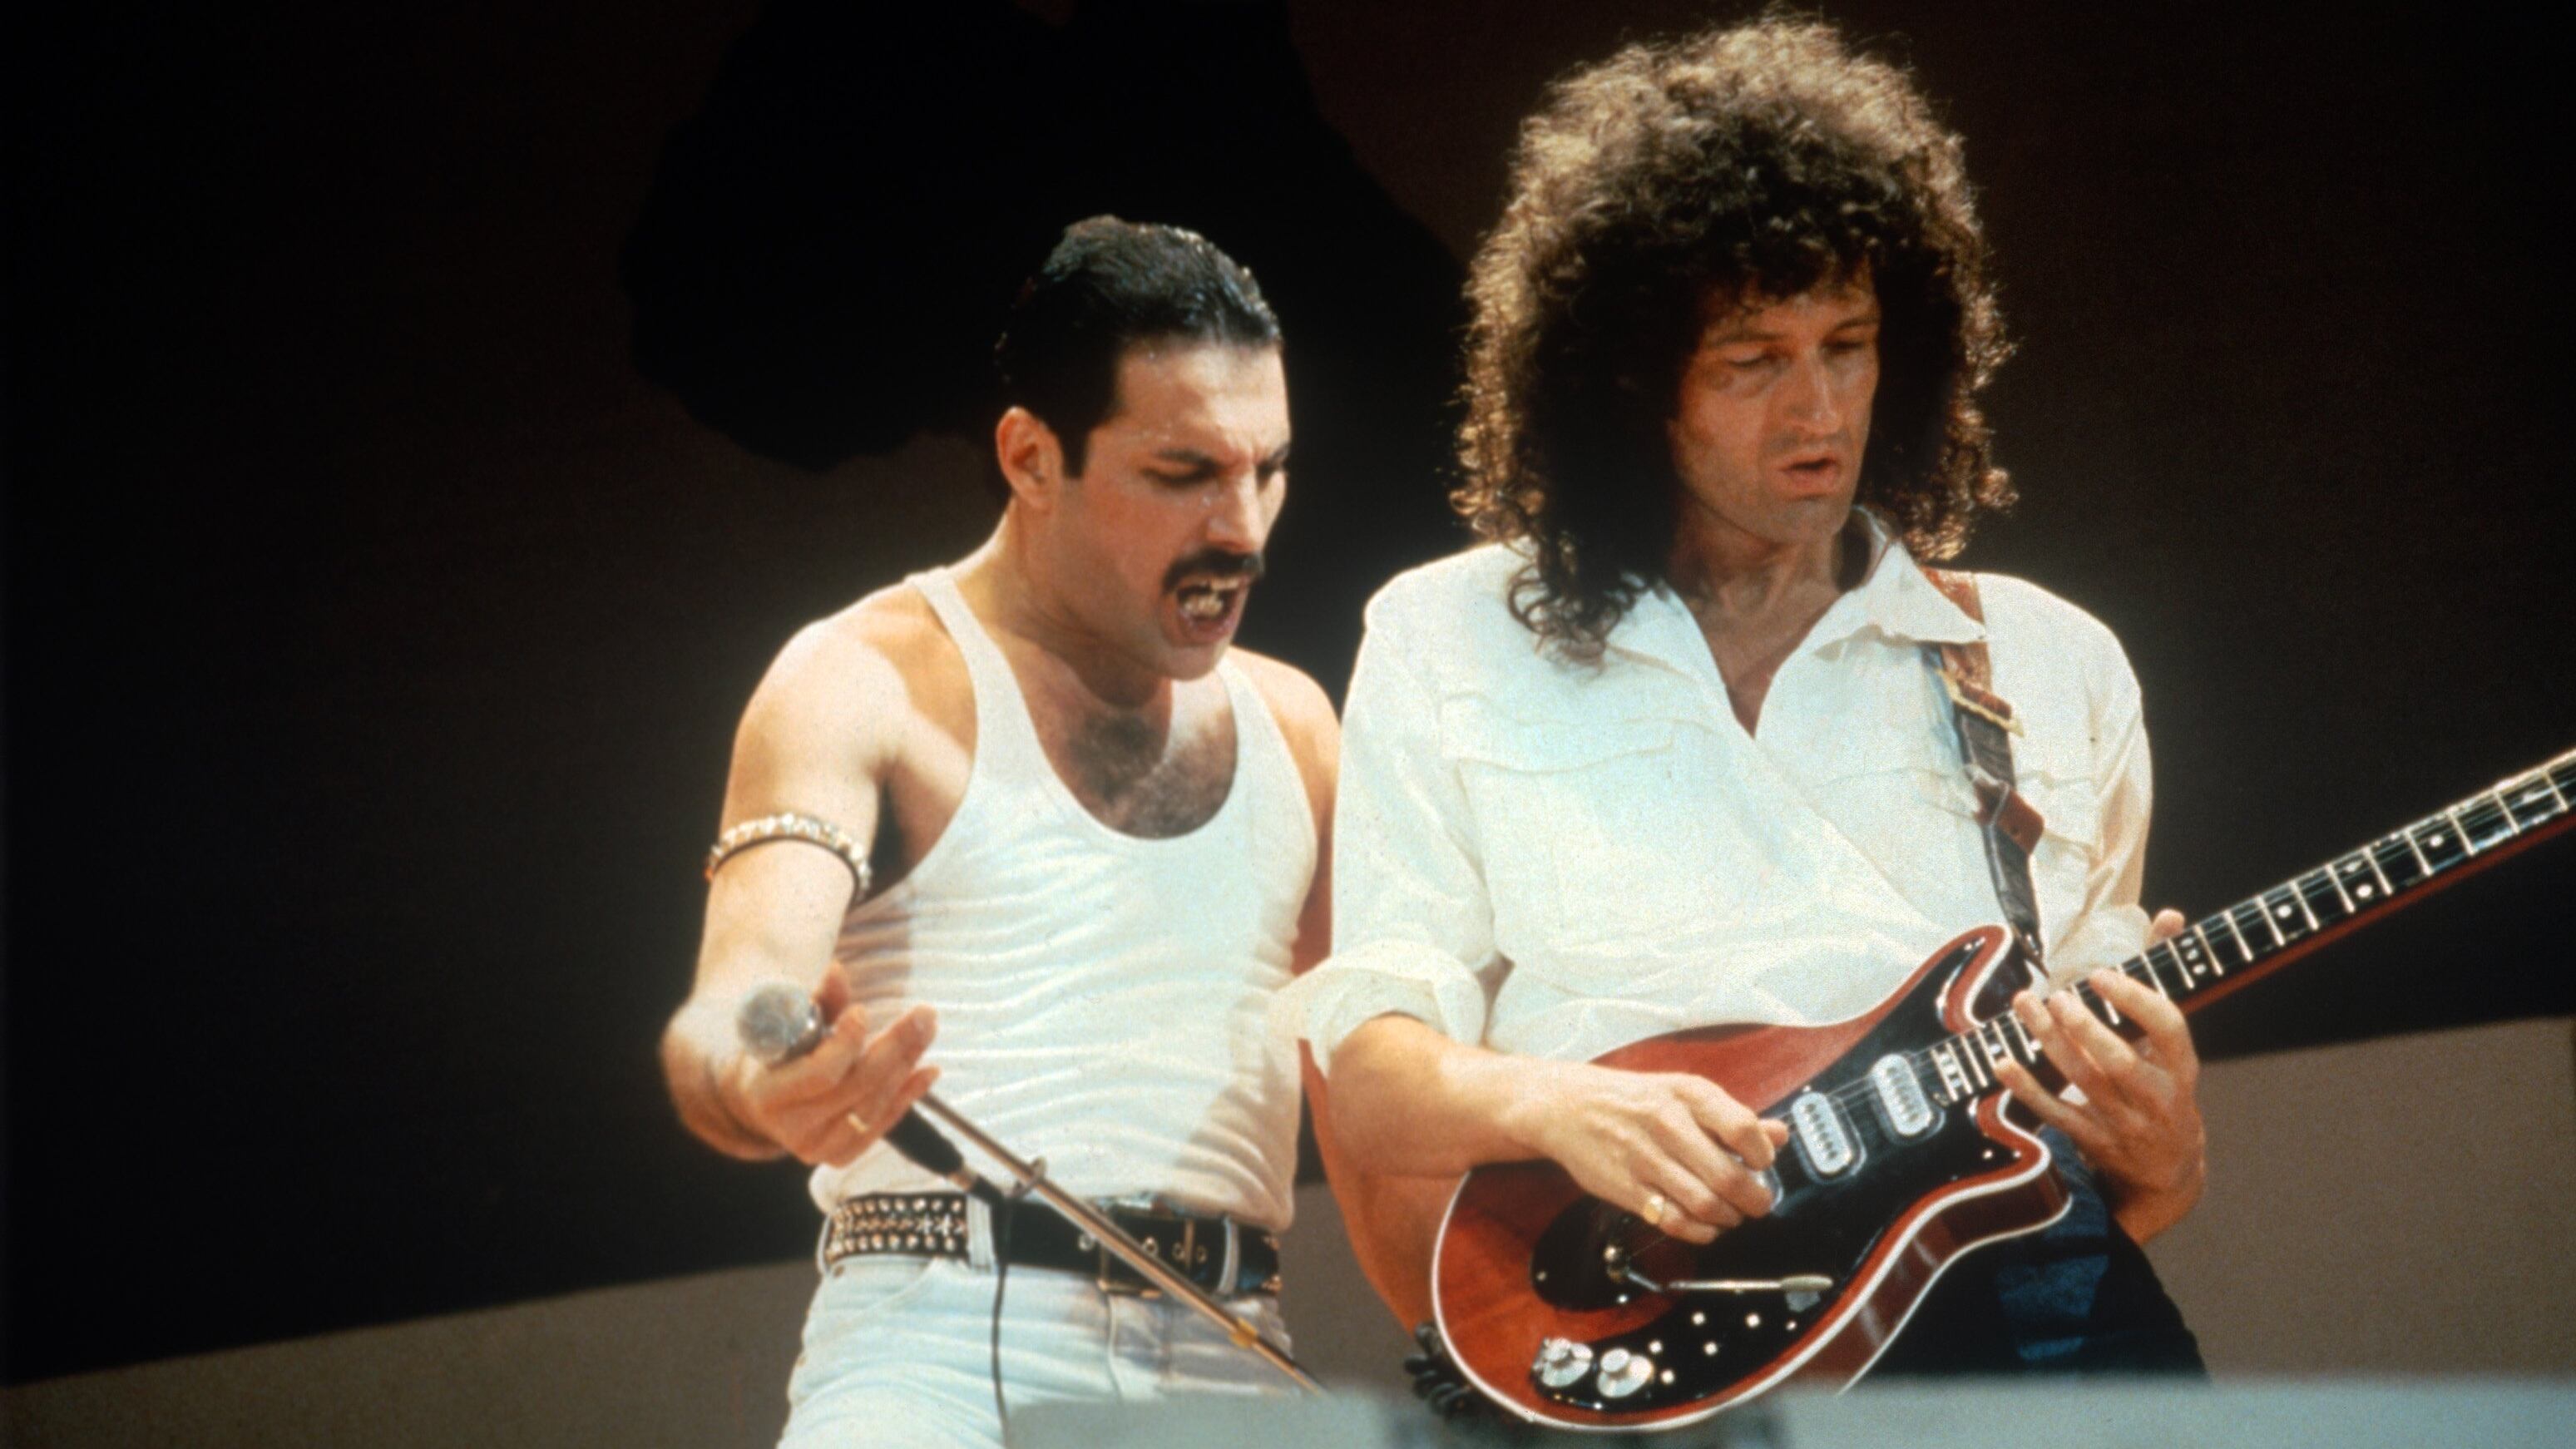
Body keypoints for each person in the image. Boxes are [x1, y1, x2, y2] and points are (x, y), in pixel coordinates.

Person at [1291, 18, 2208, 1402]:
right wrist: (1566, 1104)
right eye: (1748, 361)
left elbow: (2095, 1147)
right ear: (1624, 381)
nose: (1816, 408)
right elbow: (1368, 1077)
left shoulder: (2046, 659)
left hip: (2025, 1331)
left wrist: (2164, 1144)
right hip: (1633, 1331)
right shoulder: (1445, 632)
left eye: (1847, 344)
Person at [659, 217, 1338, 1447]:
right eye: (1183, 473)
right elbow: (738, 1001)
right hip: (935, 1355)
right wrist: (767, 1076)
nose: (1240, 526)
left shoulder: (1295, 725)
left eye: (1269, 468)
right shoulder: (862, 678)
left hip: (1239, 1357)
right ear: (1030, 456)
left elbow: (1388, 1090)